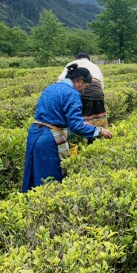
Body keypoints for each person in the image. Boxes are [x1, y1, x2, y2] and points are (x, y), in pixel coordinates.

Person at [22, 64, 113, 192]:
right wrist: (100, 130)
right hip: (49, 140)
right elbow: (76, 126)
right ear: (80, 80)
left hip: (34, 134)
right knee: (49, 180)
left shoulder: (51, 87)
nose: (84, 90)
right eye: (86, 86)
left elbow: (55, 115)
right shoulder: (72, 93)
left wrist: (82, 124)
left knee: (33, 174)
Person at [58, 53, 107, 134]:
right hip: (98, 93)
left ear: (76, 59)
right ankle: (96, 136)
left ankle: (79, 136)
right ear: (88, 59)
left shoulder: (72, 64)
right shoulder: (94, 66)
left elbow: (62, 80)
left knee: (78, 118)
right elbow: (101, 85)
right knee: (96, 119)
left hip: (80, 90)